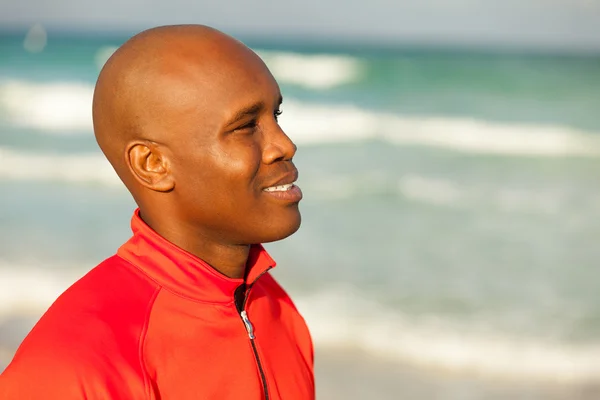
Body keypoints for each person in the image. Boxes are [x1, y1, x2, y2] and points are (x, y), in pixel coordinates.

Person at [0, 25, 314, 400]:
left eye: (276, 116)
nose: (285, 145)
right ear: (153, 164)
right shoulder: (72, 368)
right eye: (246, 126)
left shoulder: (276, 308)